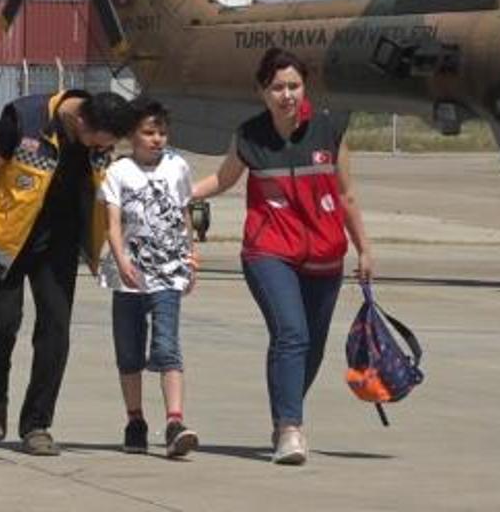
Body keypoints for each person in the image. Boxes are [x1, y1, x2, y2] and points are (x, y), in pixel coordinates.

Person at [191, 47, 374, 466]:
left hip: (326, 254)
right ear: (262, 91)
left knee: (311, 347)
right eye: (277, 87)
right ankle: (291, 429)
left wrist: (365, 247)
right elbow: (222, 179)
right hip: (269, 250)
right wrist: (177, 191)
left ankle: (282, 417)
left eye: (293, 85)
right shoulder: (250, 135)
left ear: (304, 87)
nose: (286, 95)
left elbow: (346, 194)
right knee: (291, 333)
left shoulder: (330, 129)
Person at [0, 89, 134, 456]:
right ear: (81, 122)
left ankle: (37, 424)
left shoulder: (97, 134)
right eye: (99, 140)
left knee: (55, 332)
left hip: (58, 246)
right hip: (4, 240)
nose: (101, 148)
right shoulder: (23, 118)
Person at [99, 98, 200, 458]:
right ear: (132, 135)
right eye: (148, 132)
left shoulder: (178, 167)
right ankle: (135, 420)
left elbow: (185, 213)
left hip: (168, 271)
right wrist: (120, 257)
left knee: (167, 345)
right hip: (127, 274)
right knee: (129, 350)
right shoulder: (118, 171)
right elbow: (112, 223)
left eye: (161, 132)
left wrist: (191, 255)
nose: (156, 139)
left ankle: (175, 422)